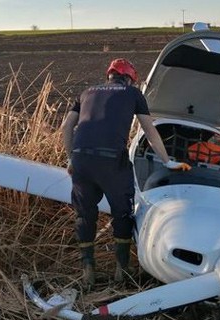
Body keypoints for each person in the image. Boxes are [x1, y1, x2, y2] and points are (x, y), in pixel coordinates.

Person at [61, 58, 191, 290]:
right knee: (122, 213)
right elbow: (150, 131)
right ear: (130, 78)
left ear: (109, 75)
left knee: (84, 214)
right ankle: (122, 269)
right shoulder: (132, 94)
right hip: (111, 160)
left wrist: (71, 158)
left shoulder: (86, 92)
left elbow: (66, 127)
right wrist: (167, 161)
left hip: (81, 159)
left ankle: (87, 268)